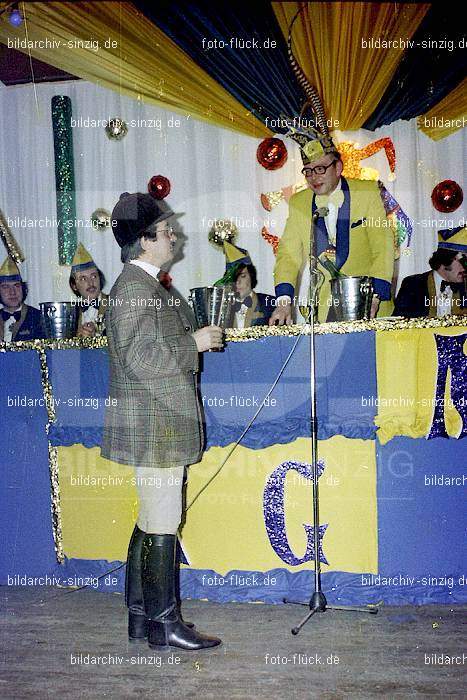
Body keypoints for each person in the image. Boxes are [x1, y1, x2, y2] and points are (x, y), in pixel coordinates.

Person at [101, 192, 223, 651]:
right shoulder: (135, 288)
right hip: (156, 423)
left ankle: (142, 619)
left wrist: (191, 340)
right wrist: (194, 342)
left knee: (154, 517)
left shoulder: (148, 285)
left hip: (157, 421)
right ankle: (165, 625)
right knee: (162, 520)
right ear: (145, 240)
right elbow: (141, 357)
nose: (176, 235)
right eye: (168, 230)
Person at [269, 124, 394, 324]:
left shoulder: (368, 192)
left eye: (320, 169)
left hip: (371, 306)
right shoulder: (298, 202)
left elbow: (383, 246)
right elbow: (288, 255)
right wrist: (283, 301)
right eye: (308, 171)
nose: (313, 178)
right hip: (324, 311)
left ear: (338, 167)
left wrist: (375, 296)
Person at [393, 227, 467, 318]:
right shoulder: (412, 284)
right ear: (445, 260)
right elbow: (398, 321)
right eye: (462, 261)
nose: (465, 268)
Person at [222, 242, 275, 328]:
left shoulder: (271, 304)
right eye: (233, 278)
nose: (237, 282)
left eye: (243, 276)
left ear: (251, 277)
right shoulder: (221, 309)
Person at [0, 257, 44, 341]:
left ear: (23, 288)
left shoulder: (38, 318)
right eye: (5, 287)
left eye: (16, 286)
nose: (12, 292)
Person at [69, 243, 108, 337]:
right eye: (83, 278)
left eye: (94, 276)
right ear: (74, 285)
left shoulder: (114, 305)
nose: (91, 283)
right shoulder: (71, 313)